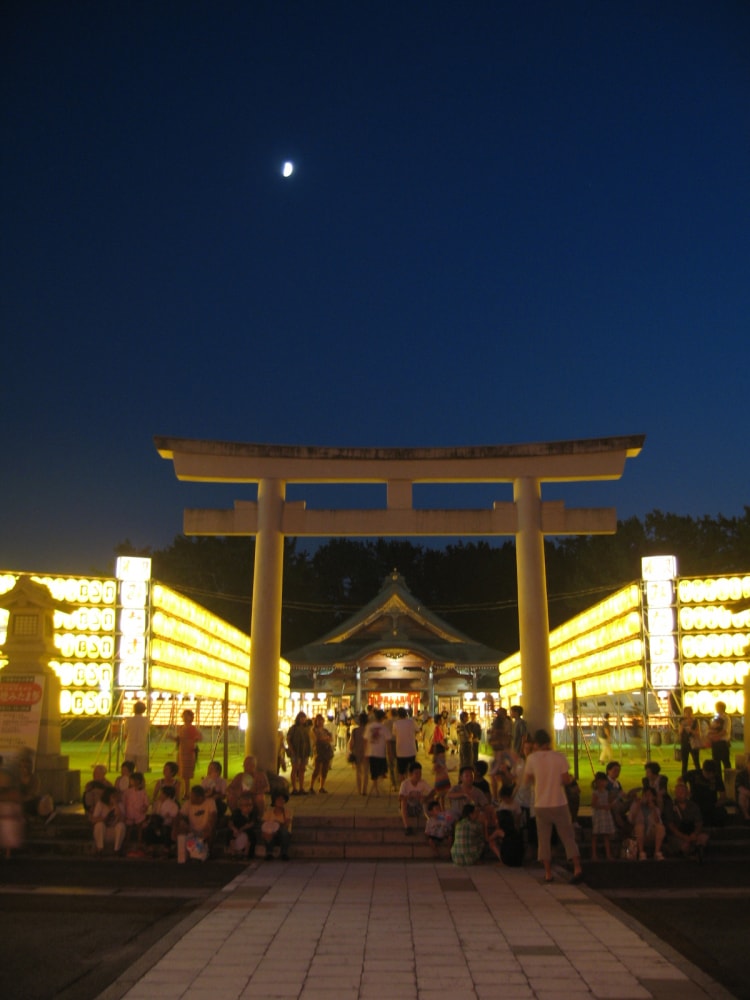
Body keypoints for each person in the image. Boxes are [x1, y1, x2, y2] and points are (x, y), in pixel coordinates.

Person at [521, 729, 583, 884]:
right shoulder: (559, 757)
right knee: (568, 837)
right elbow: (566, 780)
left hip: (541, 804)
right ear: (549, 742)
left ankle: (548, 873)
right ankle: (577, 868)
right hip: (559, 802)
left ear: (536, 744)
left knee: (544, 840)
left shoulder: (532, 759)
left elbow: (527, 779)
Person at [663, 779, 709, 860]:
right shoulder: (670, 806)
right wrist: (684, 837)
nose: (680, 795)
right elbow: (671, 826)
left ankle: (696, 850)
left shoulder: (693, 806)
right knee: (684, 845)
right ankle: (690, 852)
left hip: (692, 833)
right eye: (678, 792)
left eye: (683, 792)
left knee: (703, 838)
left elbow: (699, 822)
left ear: (687, 793)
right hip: (677, 835)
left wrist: (695, 833)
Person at [178, 785, 217, 861]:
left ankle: (208, 852)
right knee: (181, 829)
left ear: (200, 798)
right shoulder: (188, 803)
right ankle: (185, 853)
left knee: (211, 831)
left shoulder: (210, 802)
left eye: (192, 796)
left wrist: (207, 828)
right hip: (191, 831)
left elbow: (213, 816)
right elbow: (180, 815)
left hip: (205, 830)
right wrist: (182, 823)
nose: (190, 798)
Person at [627, 786, 665, 860]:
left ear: (653, 797)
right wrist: (638, 805)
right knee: (640, 826)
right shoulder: (636, 804)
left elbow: (658, 822)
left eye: (649, 795)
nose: (647, 797)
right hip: (638, 834)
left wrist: (653, 809)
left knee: (660, 827)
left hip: (650, 834)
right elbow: (631, 820)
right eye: (645, 795)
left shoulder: (655, 808)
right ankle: (641, 852)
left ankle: (657, 852)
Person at [687, 759, 727, 827]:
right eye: (708, 774)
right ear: (703, 770)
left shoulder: (717, 778)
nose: (710, 776)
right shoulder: (694, 774)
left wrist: (719, 802)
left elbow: (723, 794)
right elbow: (681, 779)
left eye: (712, 774)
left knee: (721, 812)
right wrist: (686, 792)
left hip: (711, 805)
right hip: (695, 804)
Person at [398, 762, 433, 835]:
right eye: (416, 773)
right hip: (408, 808)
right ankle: (407, 826)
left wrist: (425, 798)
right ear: (410, 774)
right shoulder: (405, 783)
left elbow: (433, 791)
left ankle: (431, 822)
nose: (419, 775)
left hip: (418, 808)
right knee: (403, 801)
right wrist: (410, 796)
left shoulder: (422, 782)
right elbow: (400, 797)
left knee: (429, 799)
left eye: (420, 773)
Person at [143, 784, 179, 855]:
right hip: (156, 823)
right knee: (148, 829)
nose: (160, 795)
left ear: (167, 795)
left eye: (162, 793)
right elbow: (153, 813)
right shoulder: (157, 803)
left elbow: (174, 817)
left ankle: (166, 849)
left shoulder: (173, 805)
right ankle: (150, 847)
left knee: (166, 830)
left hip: (166, 824)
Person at [90, 787, 126, 857]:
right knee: (99, 825)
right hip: (103, 831)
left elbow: (122, 818)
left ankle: (117, 849)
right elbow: (93, 819)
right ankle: (100, 848)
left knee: (121, 826)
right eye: (113, 796)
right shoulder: (100, 804)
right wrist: (104, 819)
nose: (115, 798)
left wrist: (115, 804)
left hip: (114, 831)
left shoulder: (120, 804)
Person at [259, 790, 292, 861]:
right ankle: (269, 853)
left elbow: (286, 825)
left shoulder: (287, 812)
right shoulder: (268, 812)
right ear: (274, 801)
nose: (281, 801)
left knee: (284, 832)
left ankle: (284, 853)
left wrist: (277, 824)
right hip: (271, 834)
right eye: (279, 799)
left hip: (282, 834)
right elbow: (264, 824)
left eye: (282, 799)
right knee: (267, 832)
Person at [590, 771, 615, 861]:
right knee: (595, 835)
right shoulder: (596, 793)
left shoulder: (607, 792)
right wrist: (602, 807)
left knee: (606, 835)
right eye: (600, 781)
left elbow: (609, 802)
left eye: (604, 781)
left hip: (605, 815)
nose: (602, 783)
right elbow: (593, 804)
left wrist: (610, 805)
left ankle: (608, 854)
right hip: (598, 816)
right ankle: (594, 854)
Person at [227, 791, 259, 859]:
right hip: (237, 829)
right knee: (230, 834)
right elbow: (230, 822)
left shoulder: (253, 812)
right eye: (245, 805)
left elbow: (251, 823)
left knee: (250, 835)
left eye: (250, 805)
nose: (248, 807)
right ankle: (233, 853)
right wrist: (234, 829)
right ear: (240, 806)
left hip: (247, 829)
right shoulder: (236, 812)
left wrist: (241, 830)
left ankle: (246, 854)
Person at [286, 711, 312, 795]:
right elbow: (288, 738)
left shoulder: (306, 728)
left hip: (304, 752)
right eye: (301, 718)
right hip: (296, 751)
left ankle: (301, 787)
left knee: (302, 769)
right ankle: (294, 788)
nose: (303, 720)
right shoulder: (293, 728)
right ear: (298, 719)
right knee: (295, 768)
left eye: (304, 718)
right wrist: (291, 748)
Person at [364, 709, 388, 796]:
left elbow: (365, 740)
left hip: (371, 751)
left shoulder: (369, 726)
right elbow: (388, 740)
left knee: (374, 771)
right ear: (382, 718)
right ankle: (377, 788)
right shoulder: (384, 727)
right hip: (381, 752)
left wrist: (365, 751)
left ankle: (376, 787)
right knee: (381, 771)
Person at [174, 708, 202, 785]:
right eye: (184, 716)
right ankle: (183, 790)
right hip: (181, 752)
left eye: (187, 716)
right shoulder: (181, 727)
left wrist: (194, 740)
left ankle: (186, 792)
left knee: (186, 774)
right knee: (181, 772)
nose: (185, 717)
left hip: (188, 753)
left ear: (191, 717)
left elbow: (199, 737)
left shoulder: (192, 728)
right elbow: (178, 739)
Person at [122, 770, 149, 846]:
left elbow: (146, 802)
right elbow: (124, 801)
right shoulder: (127, 791)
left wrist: (144, 807)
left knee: (139, 827)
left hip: (139, 812)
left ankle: (139, 841)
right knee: (129, 827)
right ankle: (127, 840)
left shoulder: (143, 792)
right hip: (129, 812)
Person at [393, 707, 420, 780]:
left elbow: (394, 734)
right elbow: (418, 730)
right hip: (411, 750)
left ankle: (403, 787)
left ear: (398, 715)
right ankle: (411, 786)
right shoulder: (412, 722)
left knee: (401, 772)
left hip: (400, 751)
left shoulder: (396, 724)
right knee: (412, 771)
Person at [123, 700, 150, 773]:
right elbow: (147, 732)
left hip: (130, 749)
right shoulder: (146, 721)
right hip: (141, 749)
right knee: (140, 773)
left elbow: (125, 735)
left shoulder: (128, 721)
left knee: (128, 772)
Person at [310, 713, 334, 793]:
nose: (320, 722)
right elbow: (316, 739)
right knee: (317, 769)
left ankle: (321, 787)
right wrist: (325, 739)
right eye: (318, 721)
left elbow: (331, 739)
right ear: (316, 722)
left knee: (325, 769)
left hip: (326, 750)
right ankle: (311, 786)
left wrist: (326, 738)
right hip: (318, 750)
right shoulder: (313, 730)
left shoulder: (325, 730)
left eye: (321, 721)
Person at [707, 701, 731, 778]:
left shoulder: (726, 718)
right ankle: (719, 782)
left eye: (717, 707)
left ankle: (728, 780)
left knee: (725, 762)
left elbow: (725, 731)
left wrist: (715, 736)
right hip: (716, 743)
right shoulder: (716, 718)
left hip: (722, 742)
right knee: (716, 763)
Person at [347, 712, 369, 795]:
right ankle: (364, 790)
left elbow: (351, 743)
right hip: (366, 752)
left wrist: (351, 750)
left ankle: (359, 790)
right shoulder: (368, 730)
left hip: (357, 752)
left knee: (358, 772)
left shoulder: (355, 730)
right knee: (366, 772)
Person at [679, 706, 702, 779]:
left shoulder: (695, 721)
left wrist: (691, 730)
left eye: (689, 712)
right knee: (684, 763)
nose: (688, 714)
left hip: (693, 743)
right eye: (686, 712)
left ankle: (699, 777)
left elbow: (698, 733)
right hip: (685, 743)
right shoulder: (681, 721)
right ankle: (684, 778)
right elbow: (680, 732)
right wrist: (683, 726)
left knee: (696, 761)